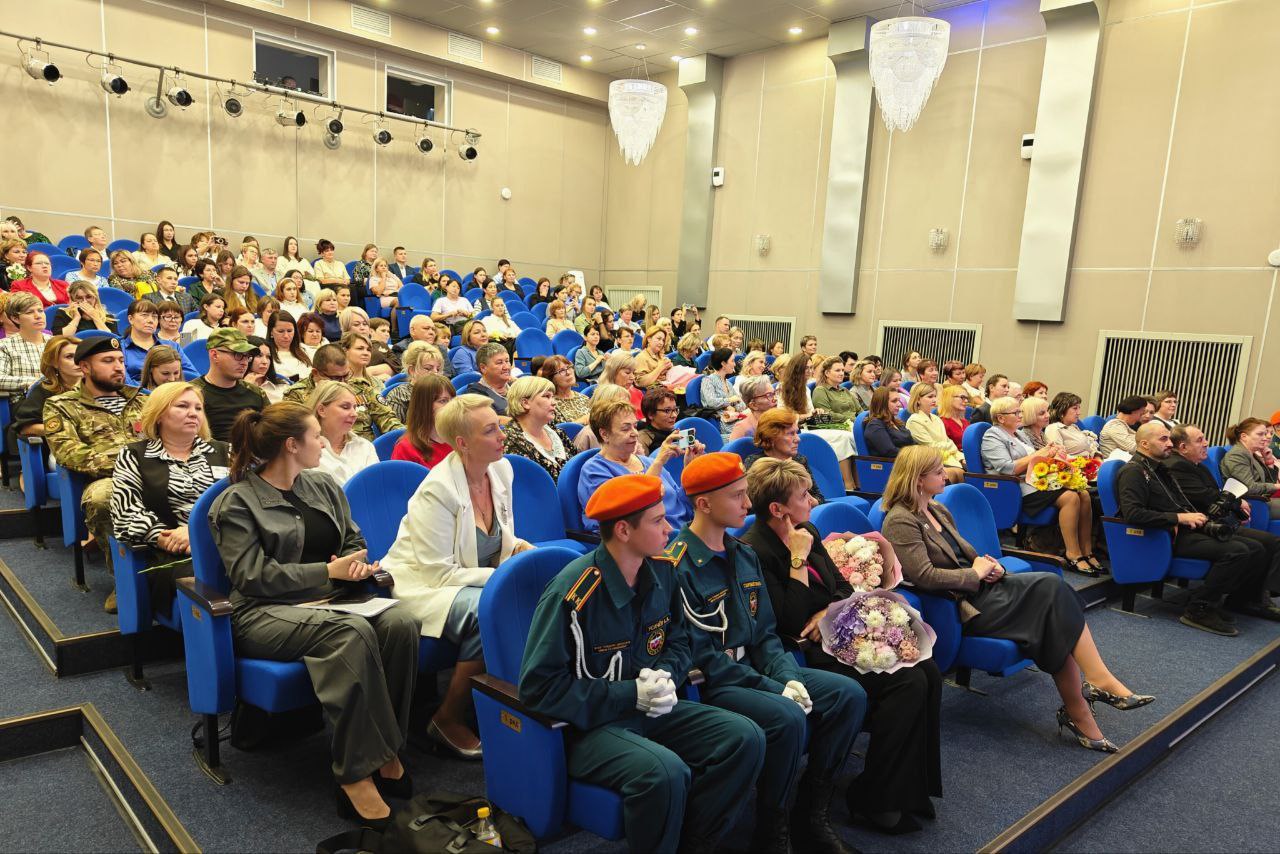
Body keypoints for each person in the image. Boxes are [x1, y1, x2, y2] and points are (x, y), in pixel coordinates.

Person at [519, 473, 766, 853]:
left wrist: (666, 675)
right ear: (622, 530)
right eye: (657, 520)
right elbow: (539, 688)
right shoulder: (574, 594)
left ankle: (694, 842)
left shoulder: (663, 572)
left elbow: (681, 641)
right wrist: (630, 693)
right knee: (663, 773)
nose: (670, 527)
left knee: (744, 738)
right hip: (591, 726)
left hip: (653, 708)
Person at [213, 402, 418, 829]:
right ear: (292, 445)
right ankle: (355, 770)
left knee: (401, 623)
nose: (323, 441)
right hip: (263, 613)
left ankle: (384, 749)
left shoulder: (322, 485)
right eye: (314, 434)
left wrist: (355, 563)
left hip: (331, 599)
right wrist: (327, 571)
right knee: (350, 632)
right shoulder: (237, 502)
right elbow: (250, 576)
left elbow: (352, 536)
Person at [883, 445, 1152, 753]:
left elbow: (964, 554)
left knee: (1053, 598)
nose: (946, 474)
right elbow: (924, 576)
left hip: (984, 587)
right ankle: (1090, 694)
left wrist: (990, 566)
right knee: (1051, 594)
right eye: (938, 471)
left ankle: (1087, 700)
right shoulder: (900, 520)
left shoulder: (937, 509)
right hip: (960, 603)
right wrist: (974, 574)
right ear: (918, 479)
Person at [659, 454, 863, 851]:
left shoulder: (743, 554)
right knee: (786, 717)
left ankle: (811, 814)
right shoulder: (676, 566)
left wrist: (786, 675)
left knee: (847, 695)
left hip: (757, 667)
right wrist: (772, 686)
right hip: (715, 682)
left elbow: (766, 635)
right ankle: (773, 830)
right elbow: (705, 655)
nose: (747, 505)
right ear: (703, 504)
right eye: (736, 496)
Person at [740, 457, 940, 835]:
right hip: (800, 652)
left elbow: (844, 590)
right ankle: (875, 799)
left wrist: (827, 610)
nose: (814, 501)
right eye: (804, 495)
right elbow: (787, 620)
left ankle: (909, 790)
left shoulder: (809, 530)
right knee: (906, 682)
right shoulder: (754, 550)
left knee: (927, 670)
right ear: (777, 509)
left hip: (837, 635)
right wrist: (798, 561)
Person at [381, 395, 534, 756]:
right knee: (490, 608)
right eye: (490, 430)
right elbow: (439, 572)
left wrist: (518, 550)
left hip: (473, 576)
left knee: (536, 589)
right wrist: (503, 576)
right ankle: (447, 717)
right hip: (423, 583)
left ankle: (512, 706)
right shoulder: (437, 490)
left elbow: (501, 534)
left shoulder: (502, 470)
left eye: (499, 425)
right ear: (462, 443)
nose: (502, 435)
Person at [1117, 422, 1275, 636]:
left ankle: (1237, 600)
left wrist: (1200, 518)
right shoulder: (1134, 472)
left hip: (1184, 528)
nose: (1169, 444)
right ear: (1144, 444)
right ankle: (1198, 608)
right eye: (1163, 439)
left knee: (1256, 547)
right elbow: (1133, 514)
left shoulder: (1159, 468)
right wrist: (1180, 517)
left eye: (1169, 438)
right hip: (1163, 535)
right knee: (1237, 551)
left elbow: (1182, 502)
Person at [44, 337, 146, 613]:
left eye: (121, 361)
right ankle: (126, 581)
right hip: (107, 478)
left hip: (157, 470)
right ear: (85, 367)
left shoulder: (141, 398)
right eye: (108, 361)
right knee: (104, 497)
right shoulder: (61, 405)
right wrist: (130, 465)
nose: (119, 367)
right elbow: (69, 453)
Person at [109, 383, 228, 614]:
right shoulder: (134, 454)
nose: (193, 413)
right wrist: (170, 539)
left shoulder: (225, 451)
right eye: (183, 406)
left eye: (198, 408)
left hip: (228, 541)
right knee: (216, 572)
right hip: (169, 555)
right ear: (160, 414)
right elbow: (126, 513)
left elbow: (244, 503)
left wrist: (198, 532)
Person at [982, 397, 1102, 576]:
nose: (1020, 415)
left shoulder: (1019, 433)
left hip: (1035, 482)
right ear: (1000, 418)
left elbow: (1037, 460)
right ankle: (1073, 553)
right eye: (1016, 413)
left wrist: (1053, 454)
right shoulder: (993, 435)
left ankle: (1087, 551)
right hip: (1015, 488)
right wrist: (1040, 453)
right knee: (1070, 497)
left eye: (1020, 411)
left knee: (1083, 494)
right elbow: (1007, 468)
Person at [1166, 424, 1280, 604]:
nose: (1206, 443)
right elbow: (1207, 496)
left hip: (1213, 521)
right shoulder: (1177, 465)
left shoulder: (1198, 465)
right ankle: (1204, 604)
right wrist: (1235, 505)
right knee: (1249, 548)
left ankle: (1251, 597)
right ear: (1183, 447)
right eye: (1200, 440)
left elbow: (1215, 493)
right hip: (1196, 527)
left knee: (1271, 542)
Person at [579, 398, 701, 532]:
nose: (635, 433)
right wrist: (659, 462)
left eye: (635, 426)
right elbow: (627, 515)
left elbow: (682, 503)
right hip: (651, 542)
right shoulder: (594, 470)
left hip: (686, 531)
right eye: (626, 429)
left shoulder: (647, 461)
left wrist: (690, 469)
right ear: (604, 434)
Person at [283, 345, 403, 441]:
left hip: (363, 452)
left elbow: (389, 420)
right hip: (321, 454)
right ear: (315, 373)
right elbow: (296, 435)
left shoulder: (362, 388)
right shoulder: (296, 394)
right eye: (335, 378)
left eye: (346, 375)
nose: (343, 382)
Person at [190, 329, 267, 442]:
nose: (244, 362)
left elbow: (270, 431)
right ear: (214, 355)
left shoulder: (256, 393)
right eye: (238, 355)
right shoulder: (191, 394)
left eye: (247, 356)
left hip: (251, 455)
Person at [502, 376, 579, 481]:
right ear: (525, 403)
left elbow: (578, 465)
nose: (554, 402)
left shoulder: (556, 431)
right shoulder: (510, 440)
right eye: (547, 396)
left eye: (553, 397)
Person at [743, 408, 828, 503]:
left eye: (796, 432)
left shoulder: (799, 460)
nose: (798, 439)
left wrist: (810, 501)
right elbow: (753, 505)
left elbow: (818, 497)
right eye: (791, 434)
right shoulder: (755, 464)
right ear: (771, 437)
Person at [307, 380, 379, 486]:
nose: (354, 414)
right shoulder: (304, 451)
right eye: (345, 407)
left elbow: (376, 488)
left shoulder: (365, 446)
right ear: (321, 410)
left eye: (355, 408)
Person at [14, 335, 79, 440]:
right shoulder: (44, 389)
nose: (78, 361)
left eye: (81, 355)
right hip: (63, 447)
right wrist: (64, 430)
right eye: (69, 357)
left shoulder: (100, 385)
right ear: (54, 362)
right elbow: (25, 427)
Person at [121, 300, 197, 385]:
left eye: (154, 317)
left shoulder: (172, 346)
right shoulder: (120, 348)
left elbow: (193, 376)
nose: (150, 320)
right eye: (144, 315)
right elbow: (124, 381)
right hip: (138, 395)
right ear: (131, 319)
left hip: (172, 392)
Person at [391, 374, 455, 468]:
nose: (452, 406)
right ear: (425, 406)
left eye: (453, 400)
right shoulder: (405, 449)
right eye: (443, 401)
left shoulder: (460, 440)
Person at [904, 383, 964, 482]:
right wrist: (950, 447)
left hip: (949, 458)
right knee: (957, 474)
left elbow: (948, 441)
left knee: (972, 470)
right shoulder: (914, 420)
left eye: (935, 396)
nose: (934, 400)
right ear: (918, 399)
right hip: (931, 461)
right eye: (930, 397)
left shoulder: (936, 419)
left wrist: (961, 458)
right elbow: (931, 446)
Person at [1220, 418, 1280, 518]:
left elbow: (1267, 482)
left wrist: (1268, 460)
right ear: (1244, 436)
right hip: (1251, 503)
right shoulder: (1237, 454)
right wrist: (1277, 486)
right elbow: (1249, 488)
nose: (1265, 438)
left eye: (1265, 434)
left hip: (1262, 500)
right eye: (1260, 434)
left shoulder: (1251, 453)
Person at [0, 293, 49, 404]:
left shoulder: (56, 343)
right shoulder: (4, 346)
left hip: (61, 400)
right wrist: (35, 382)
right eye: (29, 312)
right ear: (15, 318)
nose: (38, 316)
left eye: (40, 311)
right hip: (27, 403)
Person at [383, 342, 441, 421]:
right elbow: (396, 431)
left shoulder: (443, 392)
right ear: (412, 370)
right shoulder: (399, 395)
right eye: (428, 368)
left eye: (438, 369)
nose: (435, 373)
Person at [699, 348, 746, 435]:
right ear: (723, 363)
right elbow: (711, 402)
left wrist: (734, 407)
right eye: (732, 361)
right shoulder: (708, 380)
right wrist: (729, 401)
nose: (735, 364)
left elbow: (742, 405)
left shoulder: (728, 383)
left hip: (735, 418)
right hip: (722, 422)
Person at [463, 343, 513, 418]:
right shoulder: (475, 395)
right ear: (483, 368)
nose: (506, 367)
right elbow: (492, 421)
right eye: (499, 363)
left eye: (507, 361)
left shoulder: (516, 385)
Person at [864, 386, 915, 458]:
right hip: (892, 465)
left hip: (908, 461)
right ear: (882, 403)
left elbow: (912, 442)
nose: (899, 404)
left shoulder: (897, 422)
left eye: (898, 400)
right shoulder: (875, 425)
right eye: (894, 401)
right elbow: (891, 452)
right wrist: (916, 455)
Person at [1045, 392, 1099, 458]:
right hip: (1074, 466)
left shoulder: (1073, 426)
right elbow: (1058, 456)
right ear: (1062, 411)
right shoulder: (1053, 428)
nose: (1079, 413)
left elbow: (1088, 448)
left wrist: (1097, 456)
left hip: (1089, 463)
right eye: (1075, 408)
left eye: (1079, 408)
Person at [539, 355, 590, 425]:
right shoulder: (549, 404)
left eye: (569, 367)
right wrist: (581, 421)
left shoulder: (584, 398)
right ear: (551, 378)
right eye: (562, 371)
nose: (568, 373)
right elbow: (555, 432)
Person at [811, 357, 860, 429]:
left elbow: (859, 410)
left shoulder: (845, 390)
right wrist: (854, 420)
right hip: (838, 428)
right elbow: (827, 415)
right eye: (837, 370)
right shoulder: (820, 391)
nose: (841, 373)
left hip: (855, 425)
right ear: (827, 373)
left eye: (843, 370)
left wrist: (865, 420)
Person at [599, 349, 645, 420]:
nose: (632, 377)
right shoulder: (605, 397)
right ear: (613, 373)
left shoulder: (637, 392)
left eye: (633, 372)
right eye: (627, 373)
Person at [729, 375, 777, 441]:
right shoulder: (742, 429)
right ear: (753, 405)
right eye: (769, 395)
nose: (775, 399)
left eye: (774, 393)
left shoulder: (780, 420)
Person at [268, 312, 312, 383]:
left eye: (289, 331)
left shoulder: (305, 349)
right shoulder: (266, 354)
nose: (286, 336)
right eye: (281, 331)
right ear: (271, 332)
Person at [244, 335, 288, 404]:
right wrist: (247, 388)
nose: (265, 362)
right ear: (246, 357)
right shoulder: (236, 385)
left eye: (268, 357)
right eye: (259, 356)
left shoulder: (282, 384)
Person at [637, 387, 680, 455]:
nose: (674, 415)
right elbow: (644, 465)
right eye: (667, 411)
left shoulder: (675, 433)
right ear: (651, 415)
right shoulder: (642, 440)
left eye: (675, 409)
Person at [938, 384, 970, 449]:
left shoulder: (965, 422)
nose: (966, 401)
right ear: (949, 399)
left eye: (967, 398)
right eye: (962, 397)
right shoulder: (942, 423)